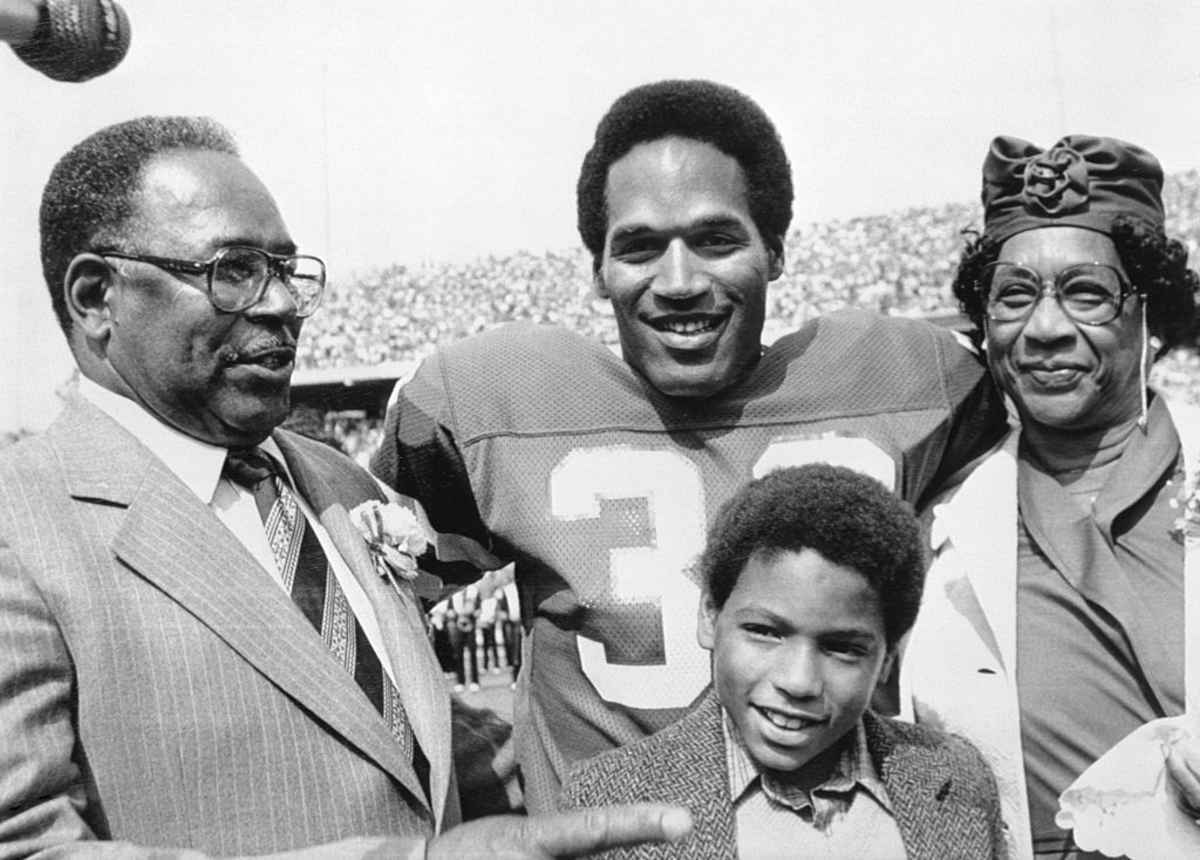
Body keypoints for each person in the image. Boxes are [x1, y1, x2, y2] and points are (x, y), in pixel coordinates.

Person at [0, 115, 692, 858]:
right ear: (97, 295)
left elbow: (384, 735)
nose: (279, 304)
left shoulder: (325, 478)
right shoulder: (24, 523)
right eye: (232, 270)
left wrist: (691, 792)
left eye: (285, 271)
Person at [371, 78, 1008, 812]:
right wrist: (460, 748)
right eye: (639, 247)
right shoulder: (483, 401)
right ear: (599, 270)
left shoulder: (917, 380)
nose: (677, 281)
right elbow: (352, 601)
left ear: (773, 251)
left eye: (715, 240)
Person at [901, 134, 1200, 859]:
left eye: (1087, 293)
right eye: (1014, 296)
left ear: (1149, 316)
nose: (1045, 330)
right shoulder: (935, 522)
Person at [561, 464, 1005, 859]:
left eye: (843, 648)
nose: (798, 681)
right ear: (709, 616)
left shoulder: (956, 777)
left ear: (888, 659)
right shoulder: (608, 804)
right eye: (765, 632)